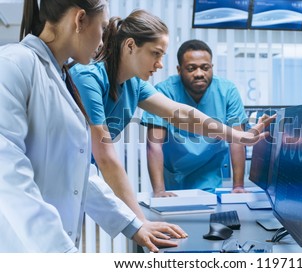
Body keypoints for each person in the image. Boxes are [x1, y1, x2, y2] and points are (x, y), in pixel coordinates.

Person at [0, 0, 188, 253]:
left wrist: (134, 225)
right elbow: (6, 175)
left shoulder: (62, 77)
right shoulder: (13, 64)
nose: (103, 40)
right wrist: (61, 253)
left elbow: (78, 170)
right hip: (25, 248)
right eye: (101, 27)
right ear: (80, 20)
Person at [70, 10, 270, 231]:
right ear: (130, 46)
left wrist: (240, 136)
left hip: (79, 175)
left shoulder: (134, 84)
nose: (159, 64)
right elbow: (106, 157)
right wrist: (141, 223)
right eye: (155, 53)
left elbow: (181, 114)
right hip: (59, 172)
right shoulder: (88, 78)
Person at [141, 39, 247, 197]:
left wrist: (238, 186)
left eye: (205, 68)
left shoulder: (227, 91)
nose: (199, 74)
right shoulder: (164, 91)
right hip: (174, 176)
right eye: (191, 68)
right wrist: (159, 190)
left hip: (208, 175)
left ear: (212, 67)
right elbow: (154, 145)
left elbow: (237, 140)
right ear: (179, 70)